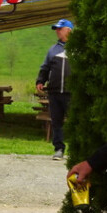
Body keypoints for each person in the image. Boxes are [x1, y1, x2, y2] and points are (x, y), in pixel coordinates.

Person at [36, 18, 73, 160]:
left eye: (59, 28)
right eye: (56, 29)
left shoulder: (79, 49)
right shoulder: (53, 50)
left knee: (75, 121)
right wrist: (40, 81)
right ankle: (59, 149)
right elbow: (45, 68)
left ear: (68, 30)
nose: (57, 31)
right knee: (56, 121)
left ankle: (77, 149)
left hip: (73, 93)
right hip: (55, 92)